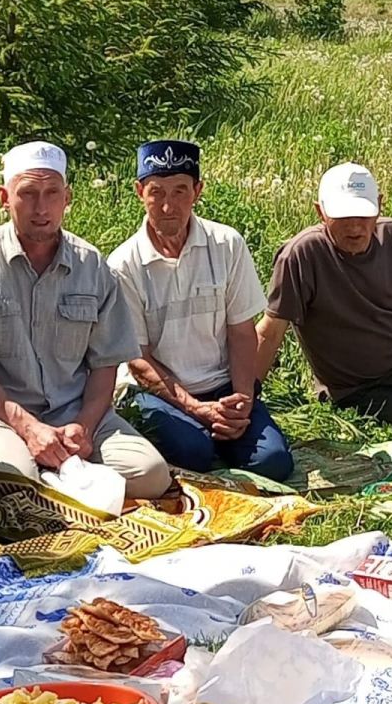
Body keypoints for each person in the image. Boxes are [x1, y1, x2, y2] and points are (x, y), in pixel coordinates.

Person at [0, 140, 171, 499]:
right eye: (28, 194)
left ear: (67, 198)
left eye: (52, 193)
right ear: (4, 197)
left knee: (151, 475)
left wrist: (83, 427)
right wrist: (28, 427)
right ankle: (57, 480)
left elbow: (105, 363)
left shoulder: (91, 264)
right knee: (12, 478)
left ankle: (60, 477)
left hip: (74, 410)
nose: (41, 208)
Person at [108, 139, 293, 482]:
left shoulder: (227, 244)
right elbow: (139, 359)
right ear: (139, 192)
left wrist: (241, 402)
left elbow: (241, 331)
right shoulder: (123, 265)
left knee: (274, 463)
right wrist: (195, 409)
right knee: (194, 453)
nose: (168, 206)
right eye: (157, 193)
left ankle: (224, 431)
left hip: (222, 385)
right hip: (159, 392)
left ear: (198, 191)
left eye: (180, 191)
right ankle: (201, 436)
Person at [257, 162, 392, 432]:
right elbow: (270, 333)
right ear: (321, 212)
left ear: (379, 206)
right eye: (342, 216)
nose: (355, 226)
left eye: (363, 214)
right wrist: (244, 397)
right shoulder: (302, 255)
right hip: (358, 388)